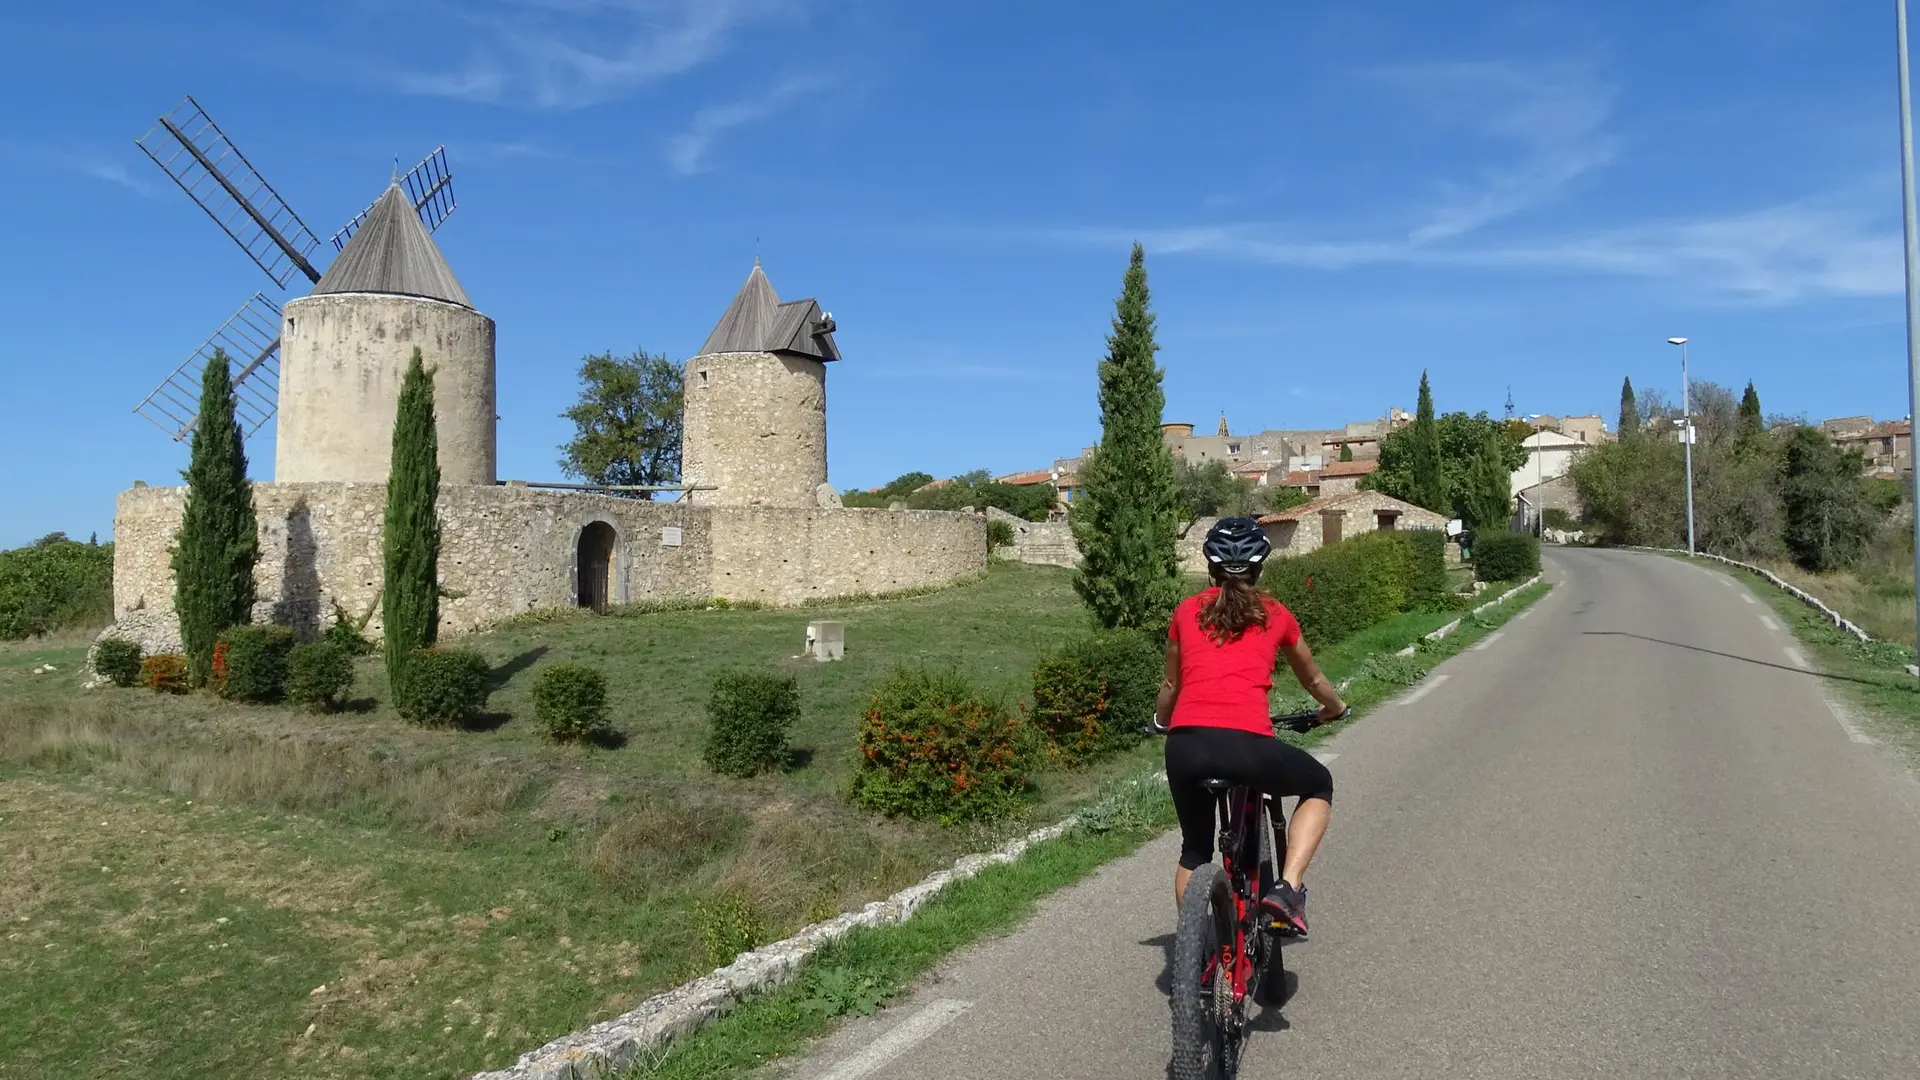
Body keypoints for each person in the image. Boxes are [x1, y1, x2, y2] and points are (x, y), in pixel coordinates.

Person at [1156, 517, 1348, 935]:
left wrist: (1161, 721)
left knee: (1194, 850)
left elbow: (1171, 685)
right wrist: (1334, 708)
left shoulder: (1186, 611)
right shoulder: (1275, 614)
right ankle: (1287, 889)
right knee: (1319, 784)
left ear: (1211, 568)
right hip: (1247, 744)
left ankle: (1195, 946)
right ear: (1258, 569)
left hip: (1185, 745)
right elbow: (1313, 679)